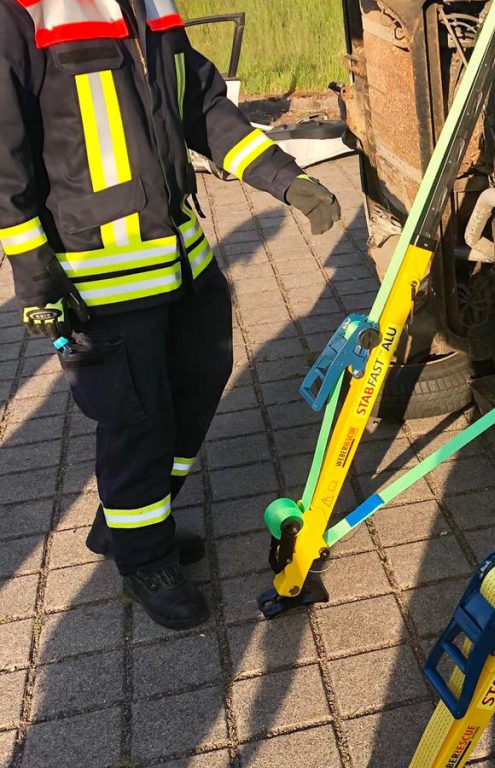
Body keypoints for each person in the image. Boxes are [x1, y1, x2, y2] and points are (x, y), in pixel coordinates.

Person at [0, 0, 342, 629]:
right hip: (97, 274)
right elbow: (4, 162)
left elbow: (200, 102)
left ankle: (133, 516)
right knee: (137, 418)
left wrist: (280, 176)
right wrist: (36, 281)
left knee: (200, 380)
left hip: (179, 257)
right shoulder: (23, 12)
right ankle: (144, 559)